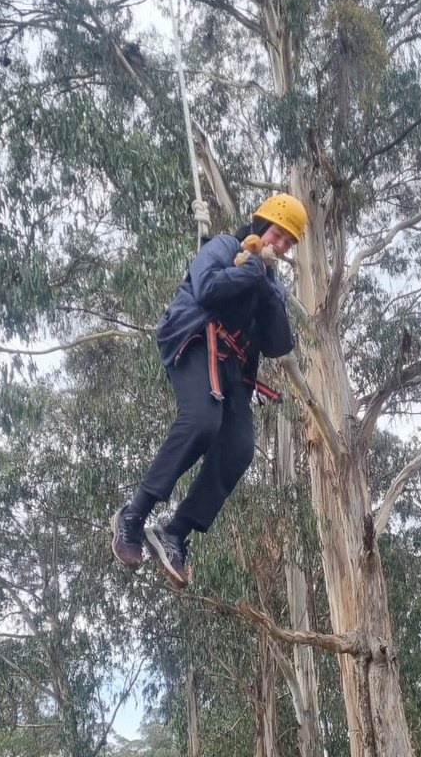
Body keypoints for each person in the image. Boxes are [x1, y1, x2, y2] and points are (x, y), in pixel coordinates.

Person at [111, 193, 308, 588]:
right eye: (277, 234)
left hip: (234, 368)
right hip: (196, 340)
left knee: (238, 448)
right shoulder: (223, 247)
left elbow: (278, 344)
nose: (281, 245)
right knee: (201, 422)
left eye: (288, 242)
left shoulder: (270, 284)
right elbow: (206, 288)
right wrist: (252, 269)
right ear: (259, 225)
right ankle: (133, 515)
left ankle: (175, 532)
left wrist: (268, 288)